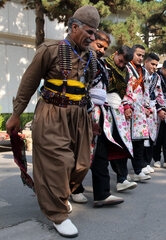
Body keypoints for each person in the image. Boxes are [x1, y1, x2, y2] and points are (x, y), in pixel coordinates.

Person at [6, 5, 99, 237]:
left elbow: (87, 89)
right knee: (59, 162)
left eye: (95, 32)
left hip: (79, 116)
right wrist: (16, 114)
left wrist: (90, 116)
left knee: (81, 164)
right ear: (74, 27)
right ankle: (57, 213)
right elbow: (28, 83)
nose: (93, 37)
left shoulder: (91, 57)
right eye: (89, 31)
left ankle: (59, 193)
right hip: (52, 113)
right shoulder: (49, 50)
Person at [88, 31, 129, 207]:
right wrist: (88, 111)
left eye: (104, 48)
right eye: (99, 46)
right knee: (76, 155)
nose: (102, 51)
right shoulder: (80, 60)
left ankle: (102, 193)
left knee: (101, 152)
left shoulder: (101, 65)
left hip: (101, 113)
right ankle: (72, 191)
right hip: (80, 113)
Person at [105, 46, 151, 184]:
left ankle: (126, 176)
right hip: (104, 108)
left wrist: (128, 106)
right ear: (116, 53)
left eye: (143, 55)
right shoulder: (104, 65)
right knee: (106, 146)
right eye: (139, 54)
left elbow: (130, 90)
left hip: (125, 109)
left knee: (127, 142)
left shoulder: (133, 71)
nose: (122, 64)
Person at [124, 44, 153, 177]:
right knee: (125, 140)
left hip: (140, 108)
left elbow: (146, 90)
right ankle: (123, 174)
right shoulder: (126, 67)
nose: (140, 58)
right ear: (132, 53)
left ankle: (138, 170)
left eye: (142, 55)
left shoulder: (144, 72)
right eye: (138, 55)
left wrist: (147, 106)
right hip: (127, 107)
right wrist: (126, 105)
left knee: (140, 140)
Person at [143, 53, 166, 172]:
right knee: (141, 136)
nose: (154, 67)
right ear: (146, 62)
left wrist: (161, 109)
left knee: (152, 136)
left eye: (156, 65)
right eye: (152, 64)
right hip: (140, 108)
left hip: (152, 109)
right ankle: (140, 164)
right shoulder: (139, 73)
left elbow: (159, 94)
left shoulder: (156, 77)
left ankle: (146, 162)